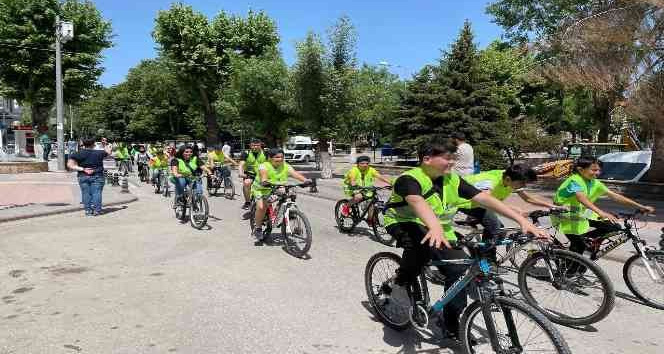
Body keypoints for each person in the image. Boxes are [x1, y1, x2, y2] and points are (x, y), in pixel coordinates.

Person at [382, 141, 547, 340]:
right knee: (421, 246)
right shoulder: (409, 179)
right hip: (404, 221)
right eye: (447, 158)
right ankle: (401, 281)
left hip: (441, 228)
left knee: (459, 271)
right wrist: (434, 227)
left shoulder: (452, 179)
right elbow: (417, 202)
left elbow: (484, 199)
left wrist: (521, 220)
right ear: (427, 159)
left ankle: (451, 323)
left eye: (454, 158)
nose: (452, 162)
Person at [456, 165, 557, 267]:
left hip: (478, 205)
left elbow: (528, 199)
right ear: (508, 179)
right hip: (462, 203)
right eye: (522, 183)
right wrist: (514, 211)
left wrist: (551, 206)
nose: (524, 185)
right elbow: (485, 200)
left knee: (501, 231)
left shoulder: (511, 178)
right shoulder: (491, 180)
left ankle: (484, 254)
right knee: (495, 226)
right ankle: (487, 262)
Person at [553, 156, 655, 256]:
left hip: (581, 214)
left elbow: (615, 196)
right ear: (580, 169)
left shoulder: (594, 183)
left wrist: (640, 206)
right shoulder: (574, 180)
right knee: (579, 247)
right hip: (565, 216)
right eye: (593, 170)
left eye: (599, 170)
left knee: (613, 226)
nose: (597, 173)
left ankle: (585, 241)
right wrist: (601, 212)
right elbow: (581, 198)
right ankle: (571, 268)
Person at [251, 148, 311, 245]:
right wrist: (265, 181)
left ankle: (289, 215)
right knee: (262, 207)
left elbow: (295, 174)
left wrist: (305, 180)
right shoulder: (264, 166)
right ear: (270, 158)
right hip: (261, 189)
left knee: (290, 192)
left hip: (276, 188)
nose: (280, 159)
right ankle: (257, 228)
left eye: (282, 157)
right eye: (277, 157)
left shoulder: (285, 166)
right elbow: (264, 177)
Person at [67, 137, 112, 216]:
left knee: (85, 193)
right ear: (94, 144)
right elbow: (108, 152)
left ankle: (88, 210)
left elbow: (70, 165)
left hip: (83, 175)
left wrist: (83, 169)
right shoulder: (99, 153)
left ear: (83, 144)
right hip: (97, 175)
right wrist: (105, 144)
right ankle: (97, 210)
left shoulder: (77, 153)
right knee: (97, 193)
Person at [341, 155, 392, 221]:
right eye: (362, 163)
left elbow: (380, 176)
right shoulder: (354, 170)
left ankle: (370, 219)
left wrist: (391, 183)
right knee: (358, 197)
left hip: (366, 188)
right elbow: (352, 180)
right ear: (358, 164)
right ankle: (346, 206)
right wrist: (354, 184)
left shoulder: (371, 169)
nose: (365, 165)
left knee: (373, 202)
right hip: (352, 187)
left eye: (367, 163)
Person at [238, 139, 267, 210]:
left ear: (261, 145)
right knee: (246, 183)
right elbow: (241, 164)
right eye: (253, 145)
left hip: (262, 174)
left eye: (257, 145)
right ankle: (247, 202)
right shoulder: (246, 153)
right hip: (250, 174)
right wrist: (241, 173)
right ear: (250, 146)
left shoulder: (266, 153)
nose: (255, 147)